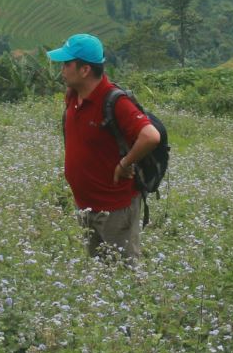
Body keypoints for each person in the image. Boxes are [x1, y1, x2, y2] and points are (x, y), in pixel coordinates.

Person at [47, 33, 161, 260]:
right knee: (100, 270)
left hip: (115, 209)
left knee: (125, 272)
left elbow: (150, 136)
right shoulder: (74, 95)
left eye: (67, 64)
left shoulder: (115, 102)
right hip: (87, 206)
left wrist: (125, 163)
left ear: (85, 70)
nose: (62, 69)